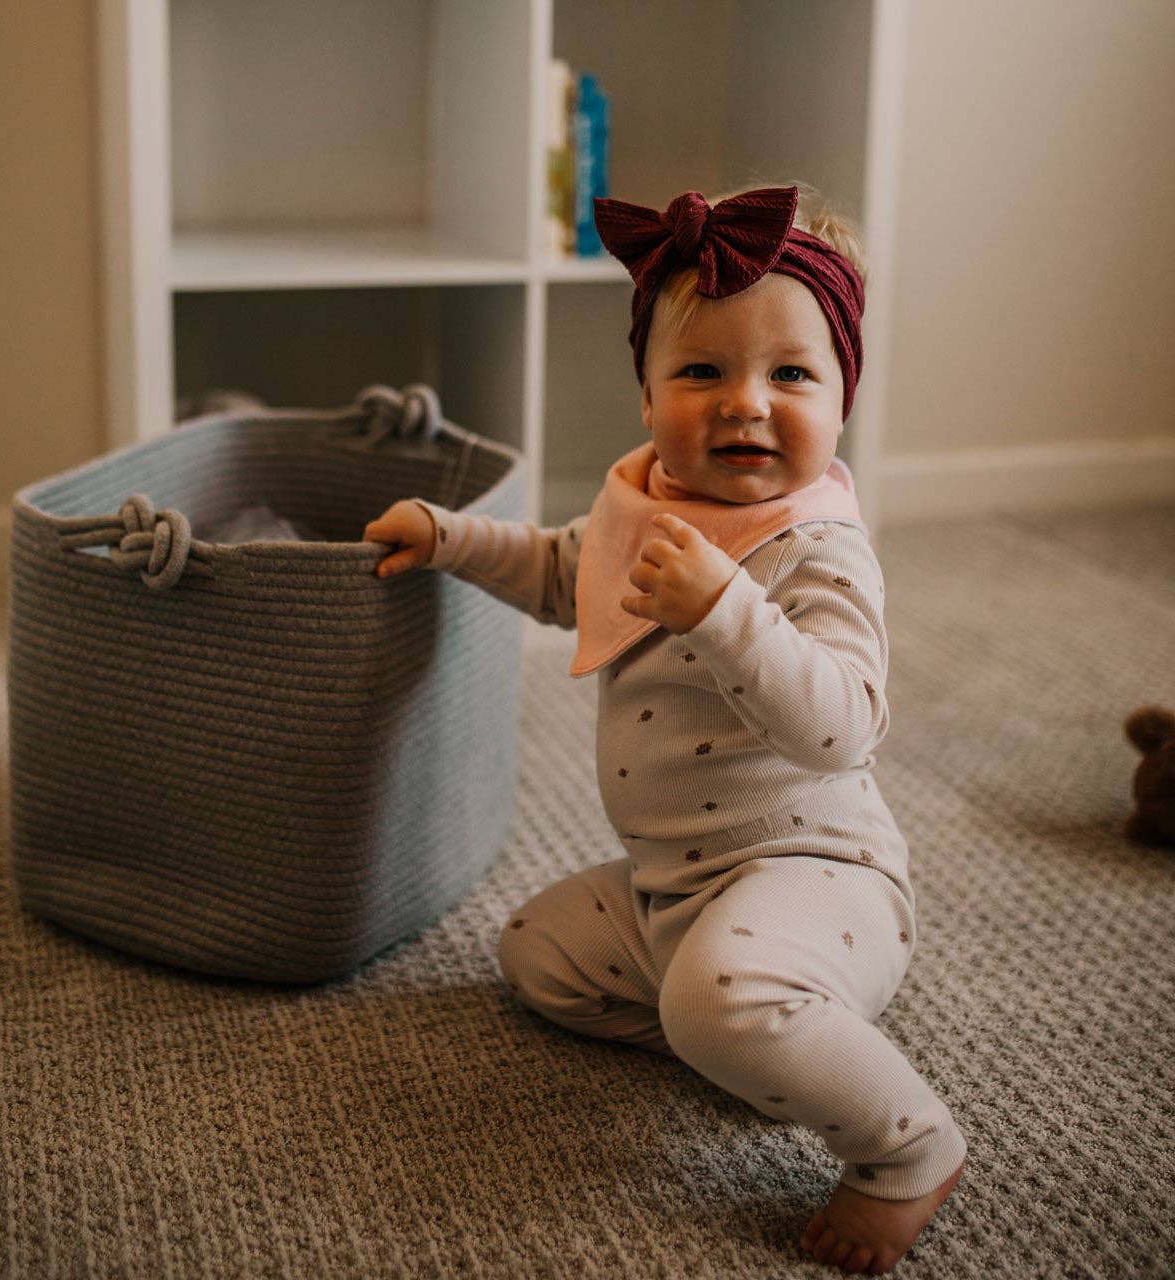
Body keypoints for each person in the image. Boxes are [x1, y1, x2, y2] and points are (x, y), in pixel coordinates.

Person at [364, 185, 966, 1275]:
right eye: (701, 371)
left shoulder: (815, 547)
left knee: (714, 997)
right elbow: (562, 573)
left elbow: (842, 728)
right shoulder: (645, 503)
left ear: (840, 402)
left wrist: (726, 611)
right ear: (646, 397)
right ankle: (739, 1030)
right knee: (536, 954)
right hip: (678, 879)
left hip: (820, 874)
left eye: (790, 374)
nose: (744, 402)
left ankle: (906, 1148)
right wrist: (449, 536)